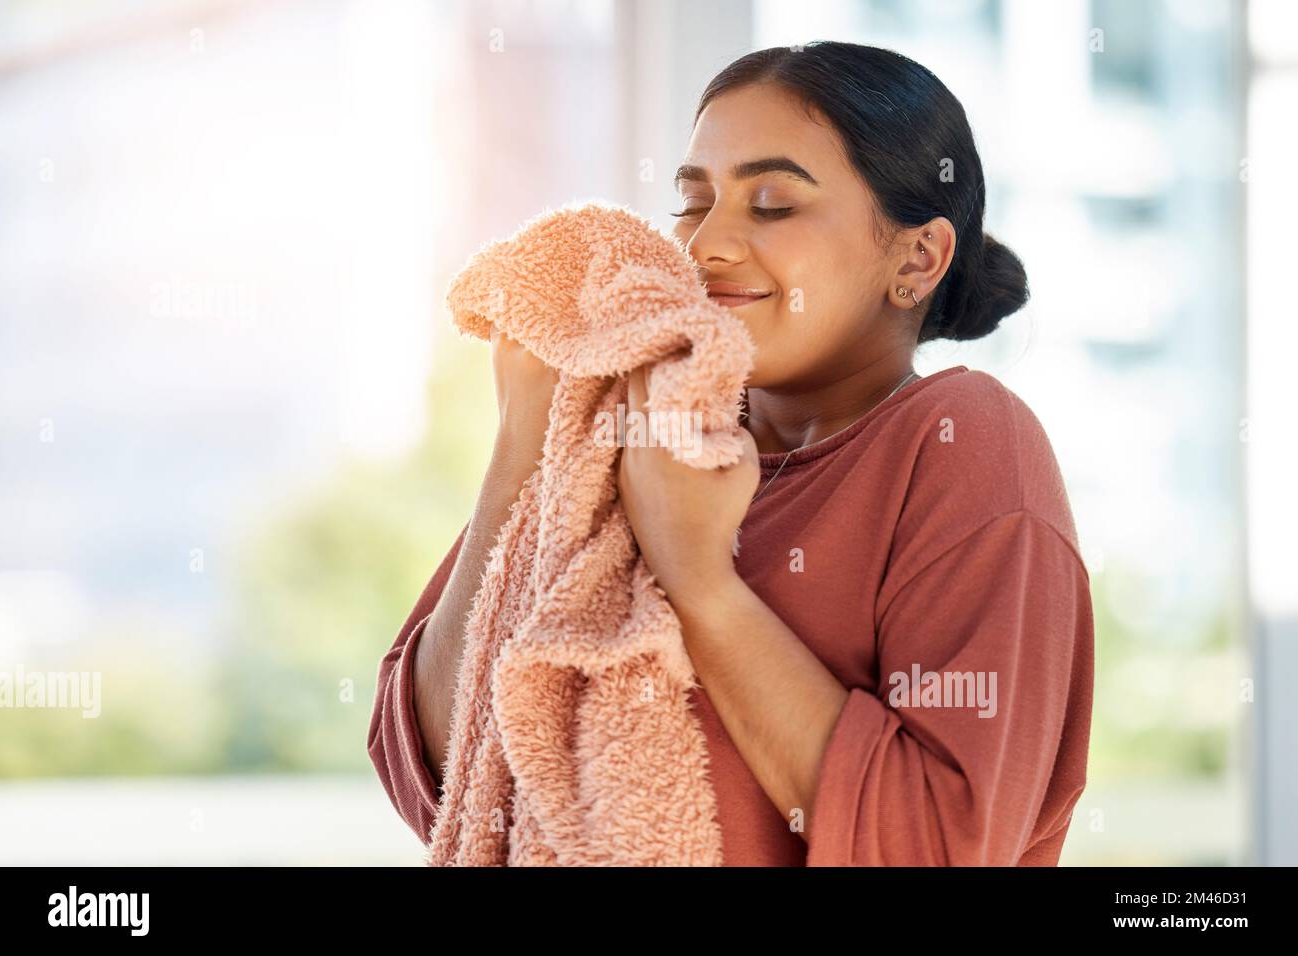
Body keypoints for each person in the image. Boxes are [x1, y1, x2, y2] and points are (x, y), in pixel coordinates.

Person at [369, 41, 1093, 866]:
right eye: (694, 201)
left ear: (917, 259)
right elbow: (439, 780)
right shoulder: (629, 429)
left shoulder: (963, 439)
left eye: (774, 203)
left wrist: (701, 583)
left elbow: (938, 844)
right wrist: (519, 458)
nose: (707, 244)